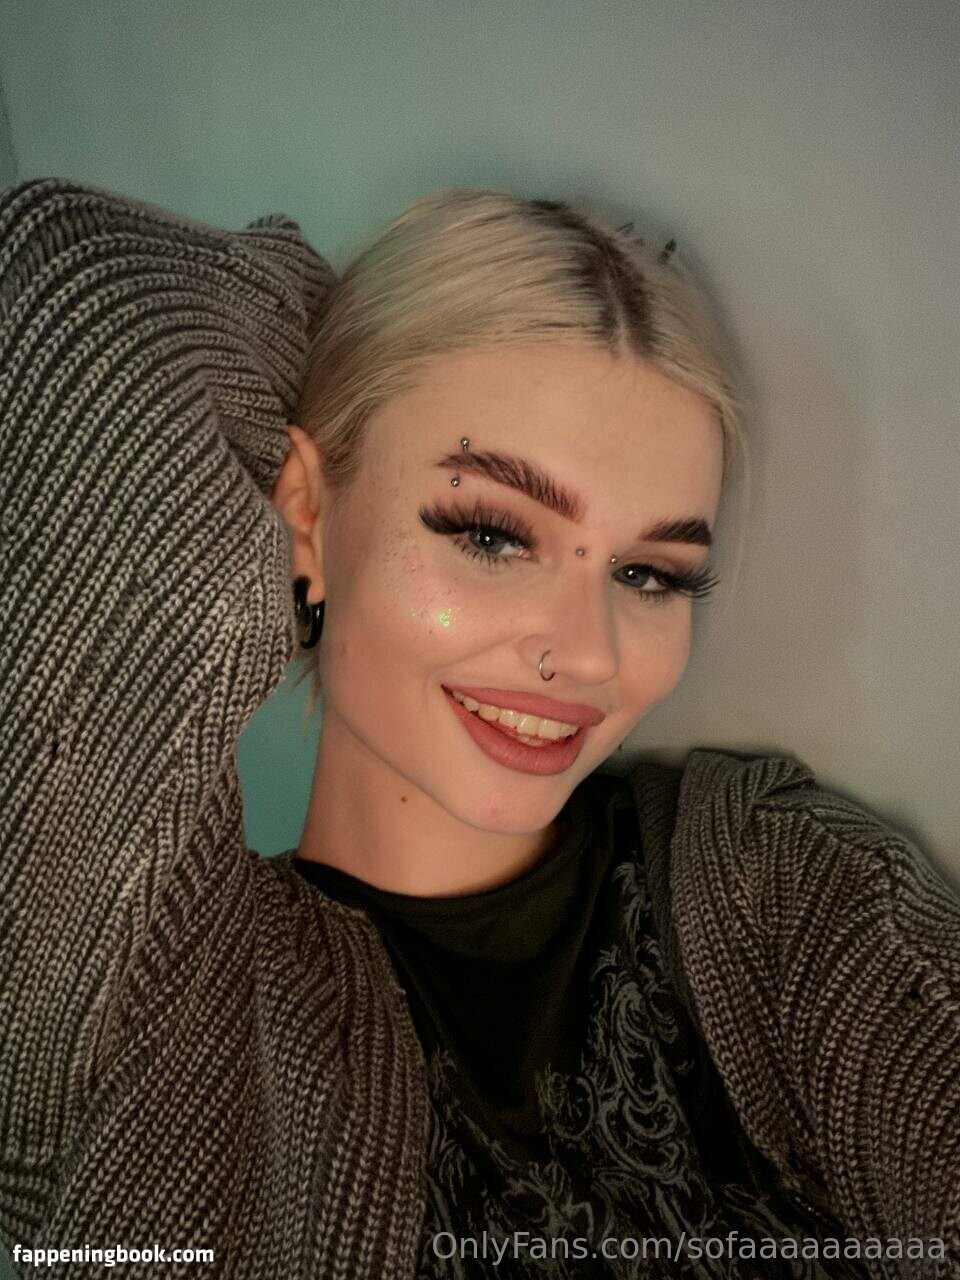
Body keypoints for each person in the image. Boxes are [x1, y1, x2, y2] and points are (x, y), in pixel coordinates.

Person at [0, 177, 957, 1280]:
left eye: (648, 573)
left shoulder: (773, 886)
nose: (588, 653)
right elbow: (64, 291)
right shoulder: (164, 1007)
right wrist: (341, 334)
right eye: (493, 533)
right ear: (305, 511)